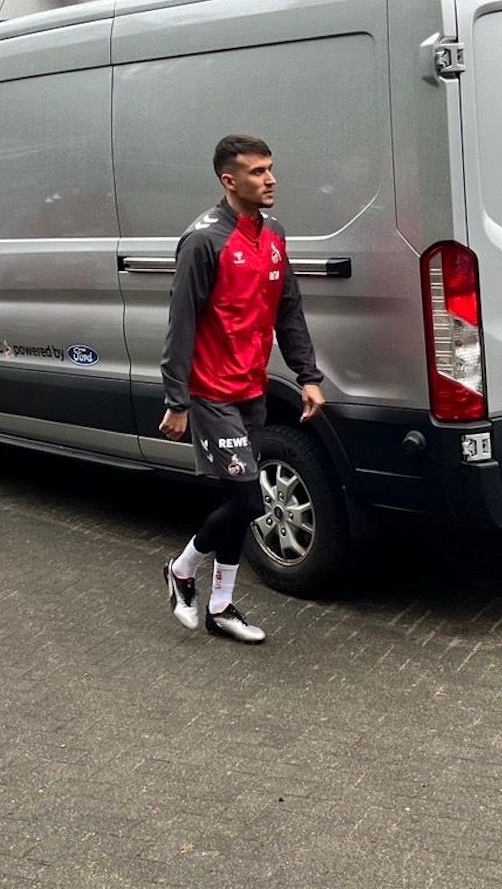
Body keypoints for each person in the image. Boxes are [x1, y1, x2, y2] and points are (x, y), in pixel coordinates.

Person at [159, 134, 325, 644]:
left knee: (240, 496)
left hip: (251, 388)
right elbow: (181, 324)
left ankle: (222, 607)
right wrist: (176, 400)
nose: (270, 179)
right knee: (250, 500)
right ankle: (182, 570)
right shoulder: (203, 240)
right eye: (256, 172)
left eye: (271, 168)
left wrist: (308, 375)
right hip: (211, 393)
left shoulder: (273, 233)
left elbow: (288, 309)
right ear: (228, 181)